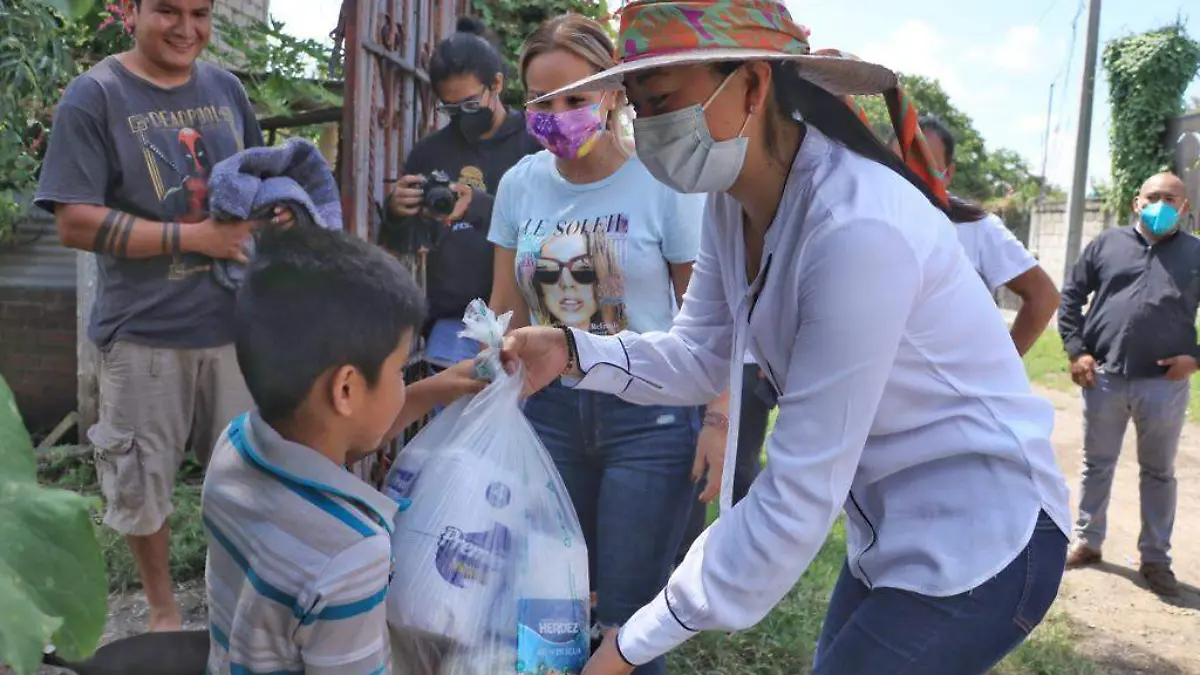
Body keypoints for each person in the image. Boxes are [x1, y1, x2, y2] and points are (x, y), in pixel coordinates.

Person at [498, 1, 1072, 673]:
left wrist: (629, 643)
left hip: (986, 535)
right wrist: (571, 351)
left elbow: (797, 493)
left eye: (665, 103)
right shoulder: (730, 201)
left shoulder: (856, 231)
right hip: (888, 525)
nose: (648, 129)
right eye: (639, 107)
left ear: (751, 85)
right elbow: (697, 353)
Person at [487, 14, 729, 675]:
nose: (556, 114)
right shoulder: (520, 185)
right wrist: (485, 393)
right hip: (550, 416)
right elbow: (503, 312)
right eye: (541, 100)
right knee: (551, 606)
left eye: (575, 97)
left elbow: (714, 320)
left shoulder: (666, 185)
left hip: (649, 421)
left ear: (616, 92)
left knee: (627, 621)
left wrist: (718, 416)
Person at [33, 0, 286, 632]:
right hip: (144, 332)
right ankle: (163, 610)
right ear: (132, 12)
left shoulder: (226, 88)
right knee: (142, 488)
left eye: (199, 13)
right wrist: (194, 239)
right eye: (166, 11)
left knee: (250, 484)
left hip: (236, 331)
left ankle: (237, 607)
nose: (184, 28)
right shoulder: (96, 96)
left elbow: (258, 179)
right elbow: (74, 220)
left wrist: (277, 210)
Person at [202, 224, 484, 674]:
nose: (403, 382)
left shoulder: (235, 448)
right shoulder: (351, 552)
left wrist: (438, 388)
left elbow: (328, 445)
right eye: (399, 370)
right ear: (347, 388)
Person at [1057, 171, 1196, 597]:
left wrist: (1195, 359)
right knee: (1096, 463)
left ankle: (1155, 559)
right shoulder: (1107, 244)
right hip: (1104, 377)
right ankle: (1088, 541)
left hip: (1164, 384)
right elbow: (1070, 296)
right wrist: (1077, 351)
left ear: (1185, 207)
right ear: (1137, 202)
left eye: (1171, 199)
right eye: (1153, 196)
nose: (1161, 205)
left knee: (1158, 472)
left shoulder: (1195, 253)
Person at [384, 17, 541, 370]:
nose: (461, 117)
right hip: (454, 323)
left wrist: (481, 207)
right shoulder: (429, 153)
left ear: (497, 83)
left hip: (530, 318)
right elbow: (405, 244)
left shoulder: (534, 145)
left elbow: (558, 224)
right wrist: (396, 212)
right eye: (449, 109)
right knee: (455, 422)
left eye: (470, 105)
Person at [901, 115, 1059, 356]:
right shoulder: (865, 217)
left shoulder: (975, 226)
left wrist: (1001, 366)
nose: (910, 173)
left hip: (951, 388)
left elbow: (1043, 296)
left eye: (925, 164)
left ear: (948, 173)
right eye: (900, 161)